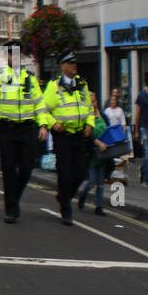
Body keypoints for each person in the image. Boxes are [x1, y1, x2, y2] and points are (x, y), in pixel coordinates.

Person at [0, 41, 50, 222]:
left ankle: (13, 197)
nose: (15, 58)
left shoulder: (30, 79)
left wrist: (43, 125)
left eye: (18, 55)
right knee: (8, 169)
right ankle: (11, 208)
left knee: (26, 168)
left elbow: (39, 104)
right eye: (11, 54)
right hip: (6, 130)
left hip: (26, 129)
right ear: (7, 57)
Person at [42, 52, 96, 225]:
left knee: (80, 173)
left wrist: (89, 124)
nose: (75, 66)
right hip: (62, 136)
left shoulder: (82, 84)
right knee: (64, 173)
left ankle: (63, 196)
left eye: (75, 63)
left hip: (79, 135)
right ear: (63, 66)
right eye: (70, 63)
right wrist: (52, 124)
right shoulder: (54, 86)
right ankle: (66, 209)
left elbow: (89, 108)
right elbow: (43, 110)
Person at [76, 90, 110, 217]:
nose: (93, 103)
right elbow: (87, 137)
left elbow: (109, 130)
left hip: (103, 153)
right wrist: (98, 143)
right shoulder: (85, 118)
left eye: (94, 101)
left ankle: (98, 206)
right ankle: (83, 196)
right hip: (92, 154)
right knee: (92, 182)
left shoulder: (103, 115)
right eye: (91, 101)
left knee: (100, 182)